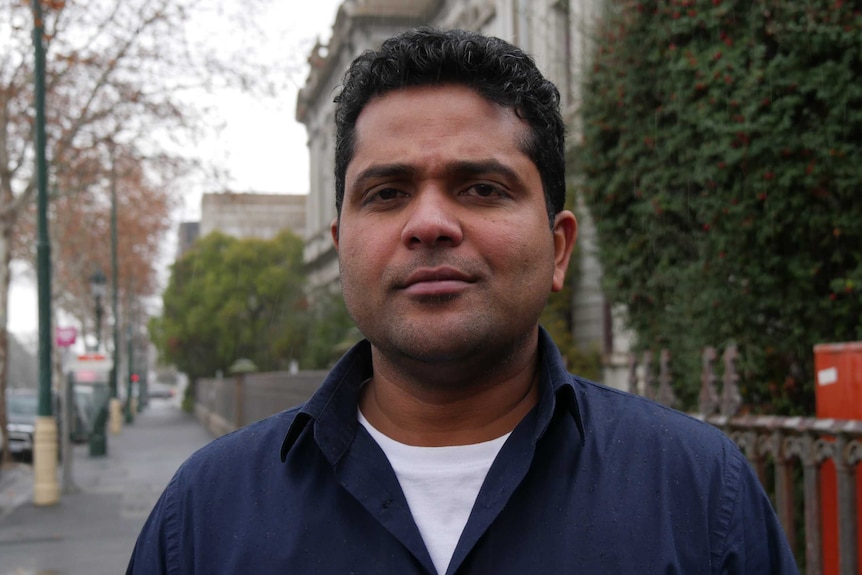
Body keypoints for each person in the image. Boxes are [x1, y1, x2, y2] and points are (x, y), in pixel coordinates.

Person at [127, 27, 798, 574]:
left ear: (559, 248)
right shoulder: (206, 515)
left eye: (481, 187)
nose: (429, 223)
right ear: (341, 249)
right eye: (386, 192)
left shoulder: (700, 494)